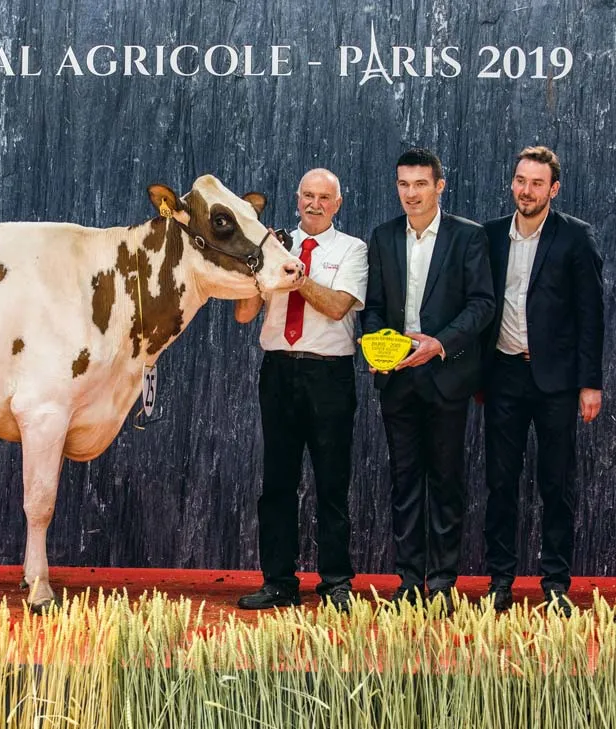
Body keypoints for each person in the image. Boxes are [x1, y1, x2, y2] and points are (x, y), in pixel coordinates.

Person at [361, 148, 494, 611]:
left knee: (446, 481)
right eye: (403, 184)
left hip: (446, 377)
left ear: (440, 185)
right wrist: (377, 347)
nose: (411, 193)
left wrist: (439, 343)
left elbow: (481, 305)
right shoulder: (381, 237)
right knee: (403, 483)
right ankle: (408, 580)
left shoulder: (468, 237)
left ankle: (441, 582)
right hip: (397, 380)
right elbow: (373, 306)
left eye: (420, 184)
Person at [235, 168, 368, 612]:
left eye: (324, 197)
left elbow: (336, 307)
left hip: (329, 375)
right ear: (296, 199)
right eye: (307, 196)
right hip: (278, 372)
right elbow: (243, 314)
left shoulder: (353, 249)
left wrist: (296, 277)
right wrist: (260, 268)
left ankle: (335, 581)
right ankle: (278, 581)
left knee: (332, 483)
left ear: (338, 203)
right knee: (276, 483)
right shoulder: (270, 246)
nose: (314, 204)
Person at [481, 146, 604, 616]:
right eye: (519, 180)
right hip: (504, 373)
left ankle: (555, 584)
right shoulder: (490, 236)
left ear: (553, 189)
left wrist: (590, 383)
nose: (525, 190)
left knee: (556, 484)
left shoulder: (576, 238)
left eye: (536, 183)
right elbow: (480, 307)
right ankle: (500, 581)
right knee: (500, 483)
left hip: (556, 380)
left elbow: (591, 316)